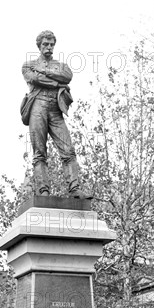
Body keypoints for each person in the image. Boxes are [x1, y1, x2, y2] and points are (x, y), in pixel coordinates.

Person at [21, 30, 91, 199]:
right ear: (39, 45)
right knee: (39, 152)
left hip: (55, 108)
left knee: (68, 149)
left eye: (52, 44)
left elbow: (67, 76)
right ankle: (43, 190)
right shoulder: (28, 65)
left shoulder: (60, 65)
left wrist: (45, 73)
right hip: (37, 107)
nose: (49, 47)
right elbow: (34, 79)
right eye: (46, 44)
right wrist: (54, 81)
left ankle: (75, 189)